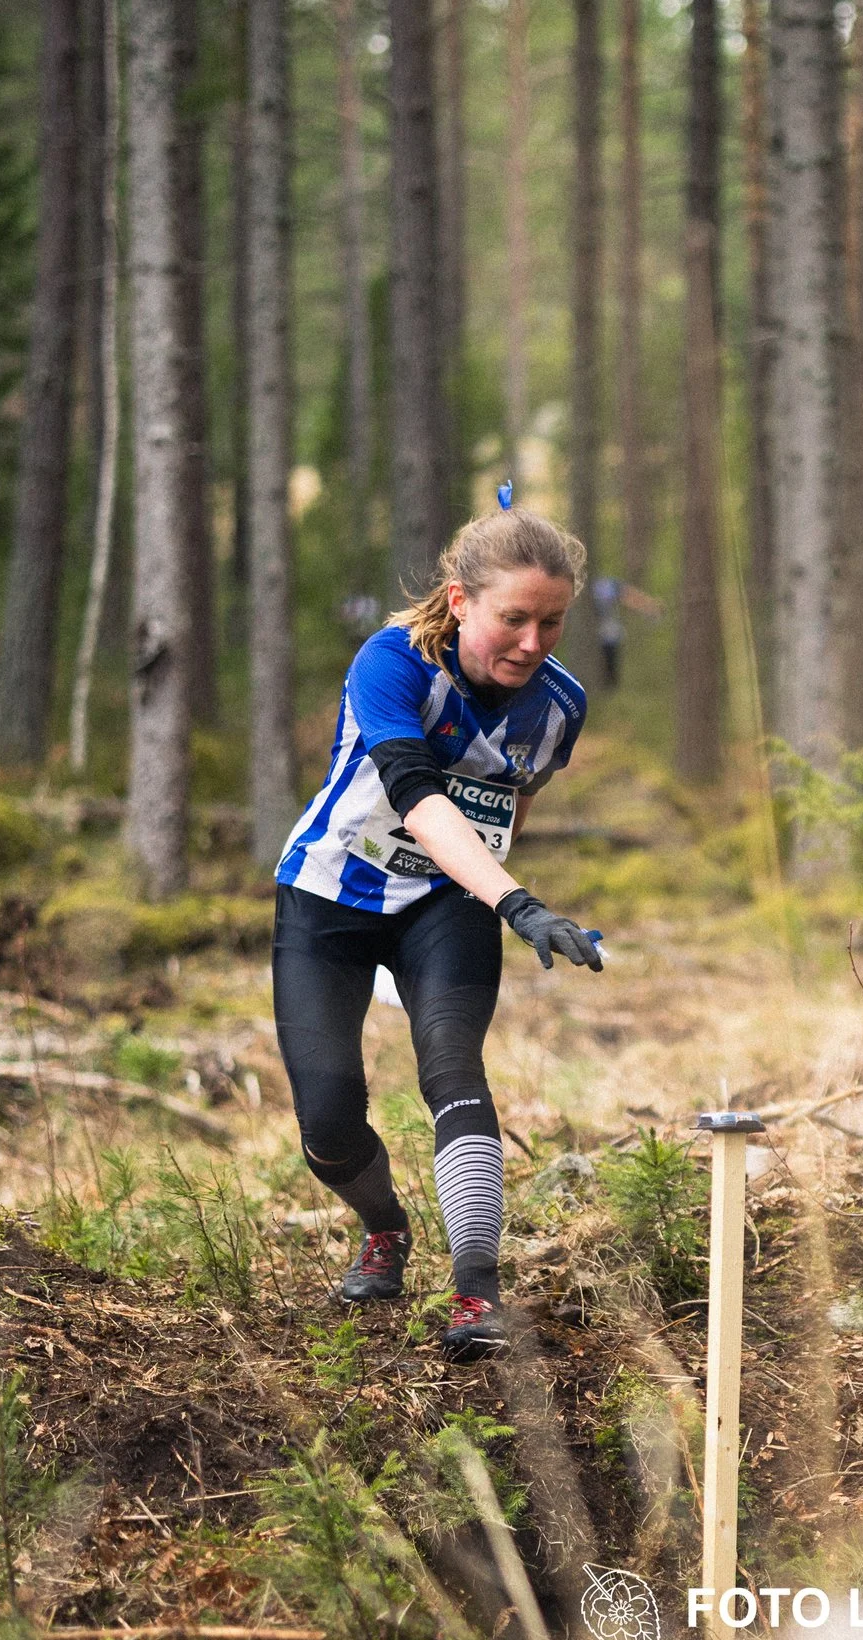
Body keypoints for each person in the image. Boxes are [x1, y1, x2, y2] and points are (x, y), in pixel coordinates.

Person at [272, 507, 605, 1357]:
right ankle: (383, 1225)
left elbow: (512, 802)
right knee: (330, 1118)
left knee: (453, 1064)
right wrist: (518, 903)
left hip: (449, 903)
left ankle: (476, 1293)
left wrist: (486, 888)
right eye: (514, 618)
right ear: (460, 602)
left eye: (553, 621)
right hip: (330, 900)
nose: (533, 642)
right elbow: (419, 799)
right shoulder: (390, 663)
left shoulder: (560, 703)